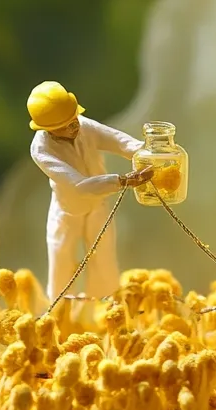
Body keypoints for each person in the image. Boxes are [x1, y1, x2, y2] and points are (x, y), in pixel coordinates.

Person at [28, 82, 154, 301]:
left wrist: (145, 152)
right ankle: (59, 308)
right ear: (47, 128)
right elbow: (78, 185)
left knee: (104, 256)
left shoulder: (83, 125)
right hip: (68, 209)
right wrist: (122, 181)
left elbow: (116, 140)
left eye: (73, 119)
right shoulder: (42, 149)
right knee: (62, 257)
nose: (74, 126)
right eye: (65, 125)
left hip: (98, 204)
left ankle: (105, 305)